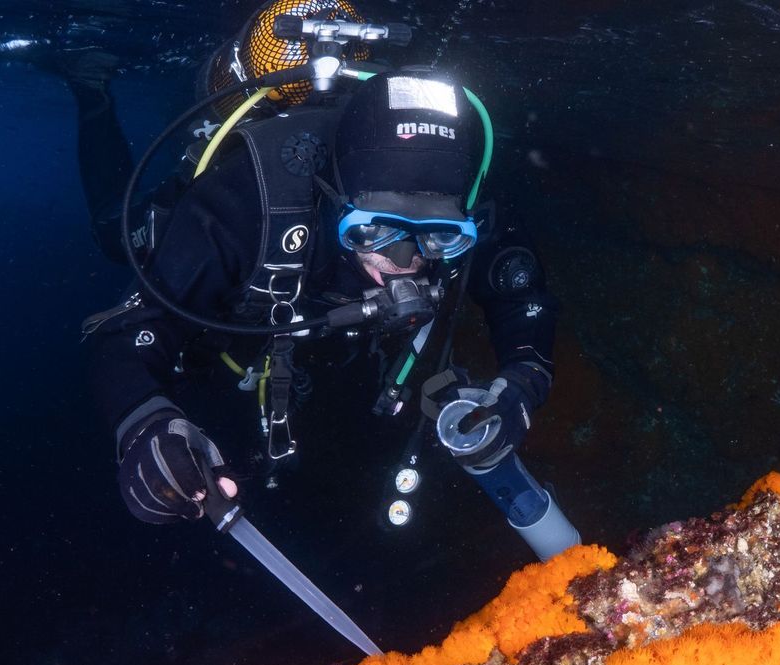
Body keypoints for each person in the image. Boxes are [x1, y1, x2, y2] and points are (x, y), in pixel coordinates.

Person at [41, 2, 564, 549]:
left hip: (344, 363)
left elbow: (520, 297)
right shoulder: (245, 200)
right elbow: (123, 336)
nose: (407, 261)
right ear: (337, 204)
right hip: (244, 308)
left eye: (438, 237)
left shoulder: (468, 199)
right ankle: (91, 89)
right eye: (375, 233)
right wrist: (145, 422)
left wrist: (522, 384)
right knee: (113, 234)